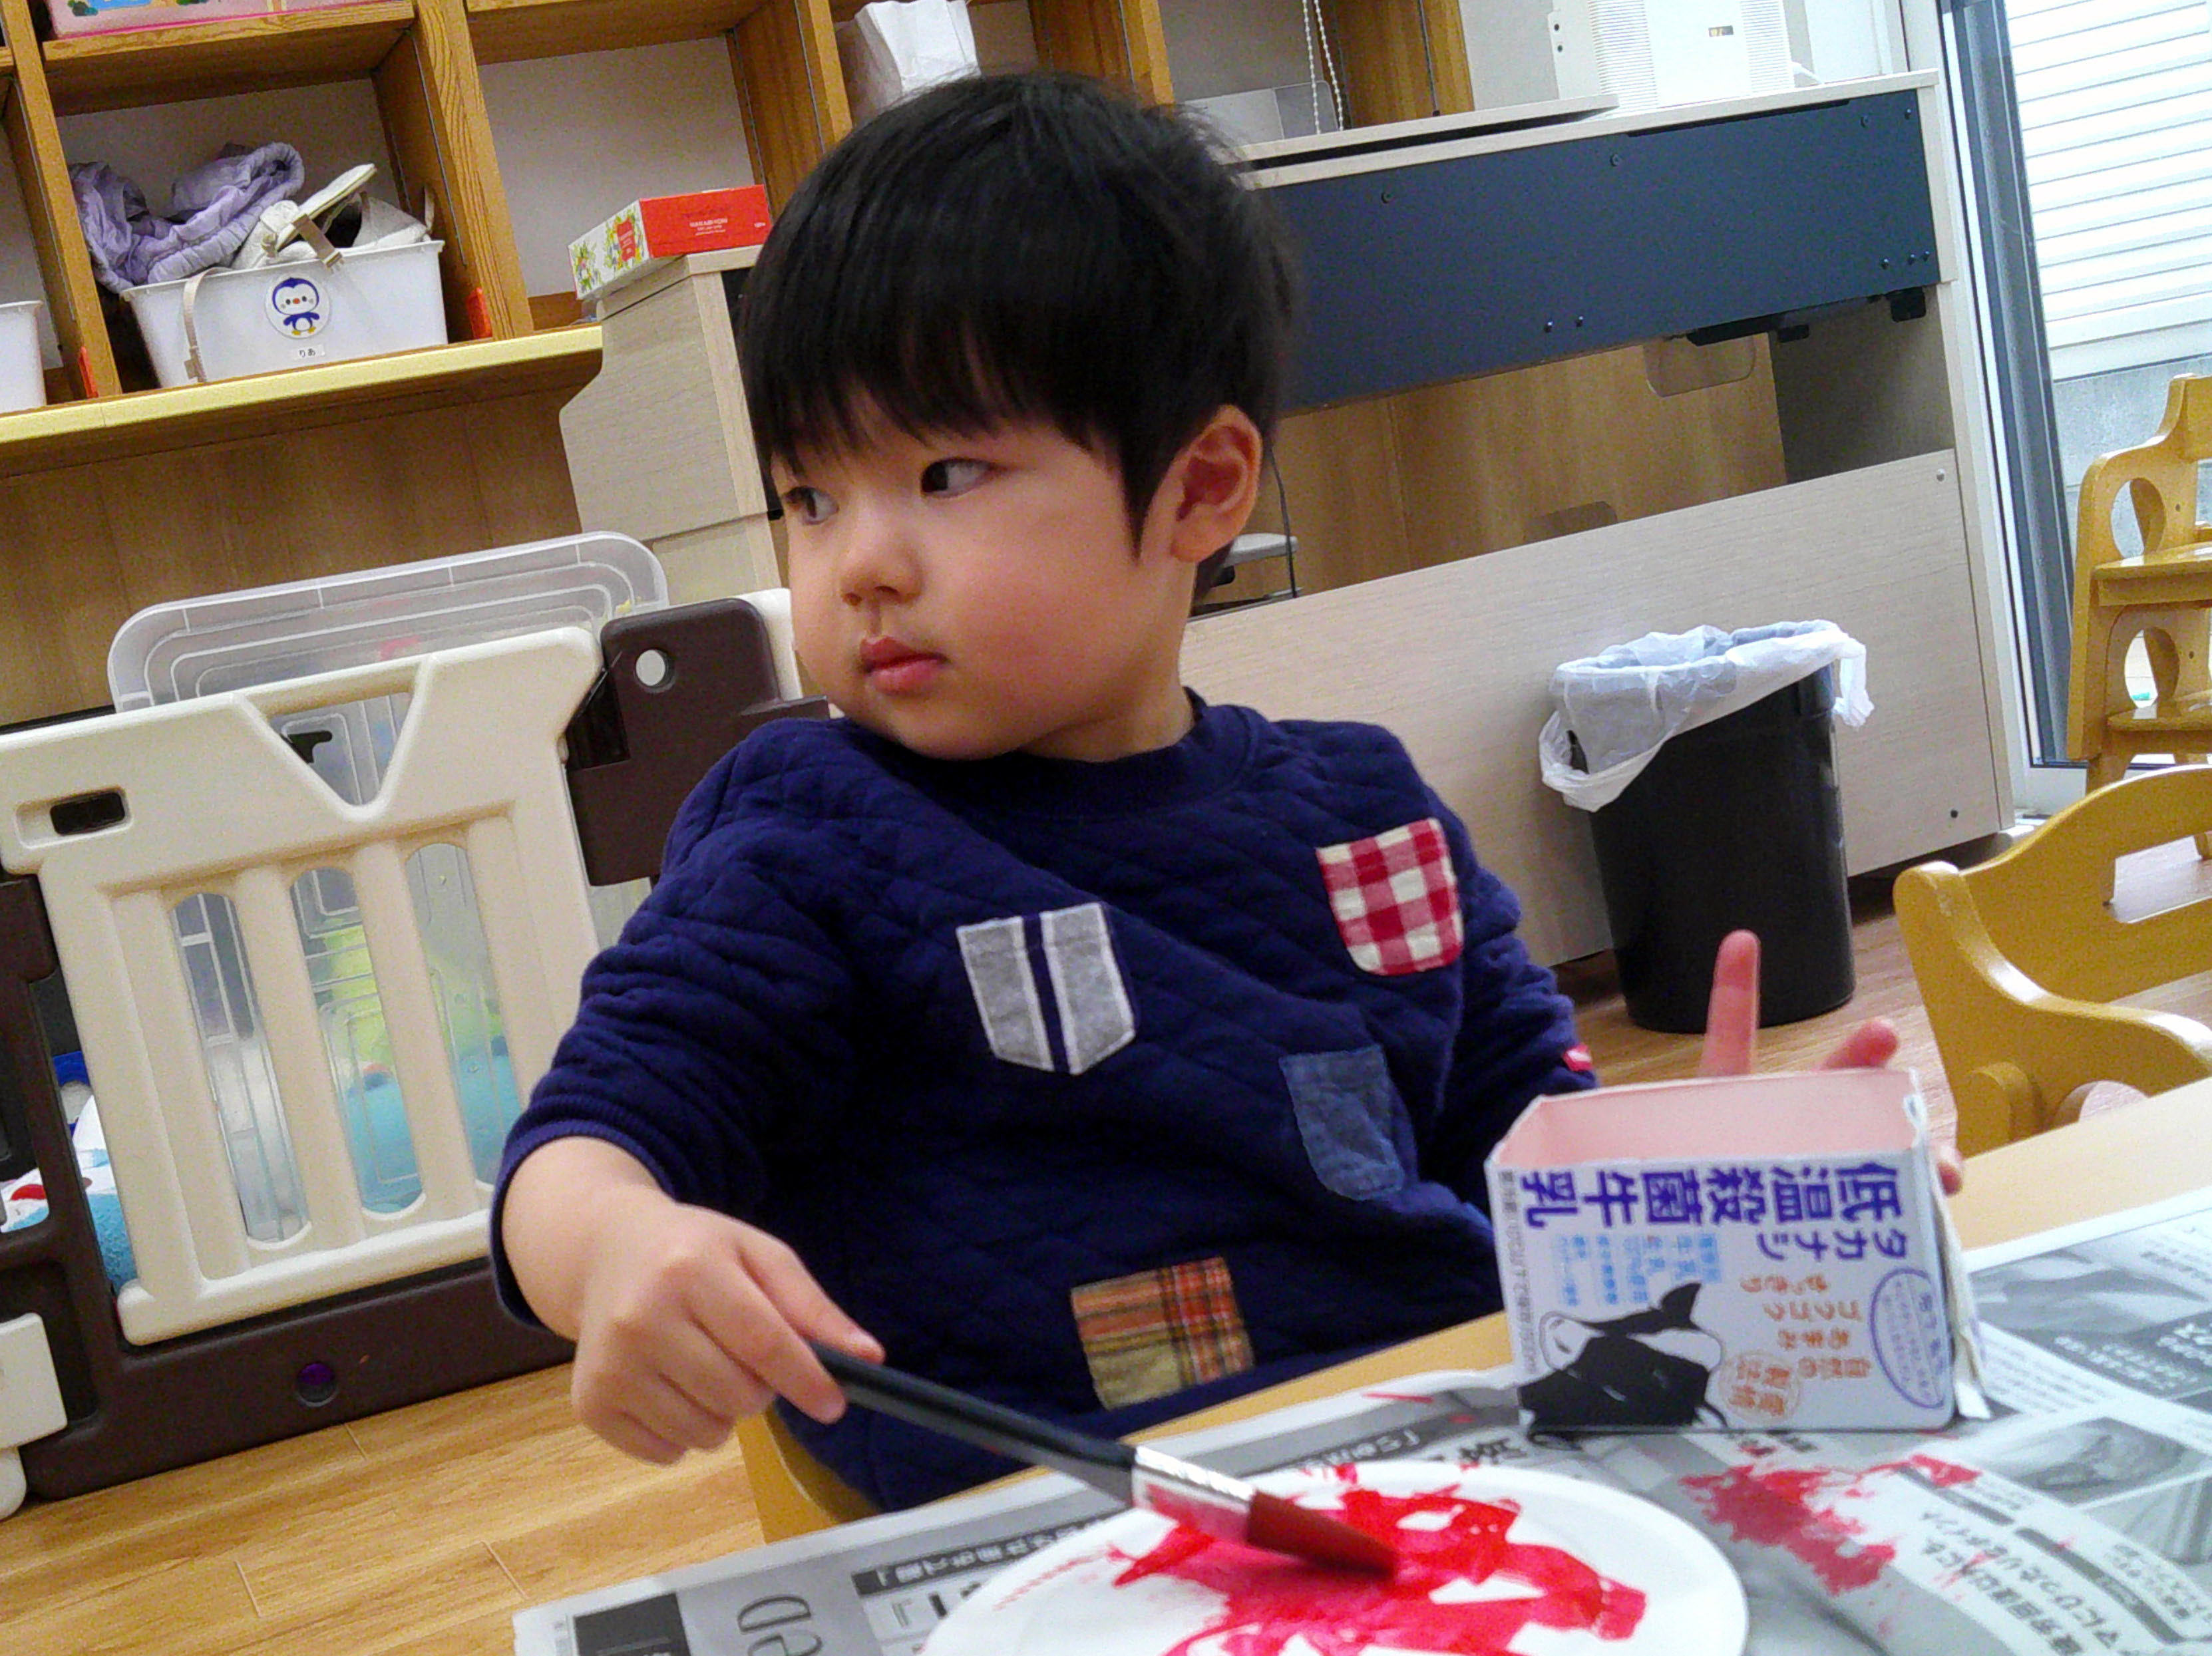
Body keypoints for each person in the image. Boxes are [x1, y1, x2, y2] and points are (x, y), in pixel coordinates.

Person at [491, 71, 1916, 1512]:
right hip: (1073, 1537)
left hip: (1458, 1471)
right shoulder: (808, 826)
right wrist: (614, 1245)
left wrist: (1699, 1196)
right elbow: (586, 1139)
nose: (858, 562)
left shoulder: (1367, 818)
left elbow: (1525, 1142)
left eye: (946, 470)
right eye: (809, 496)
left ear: (1200, 489)